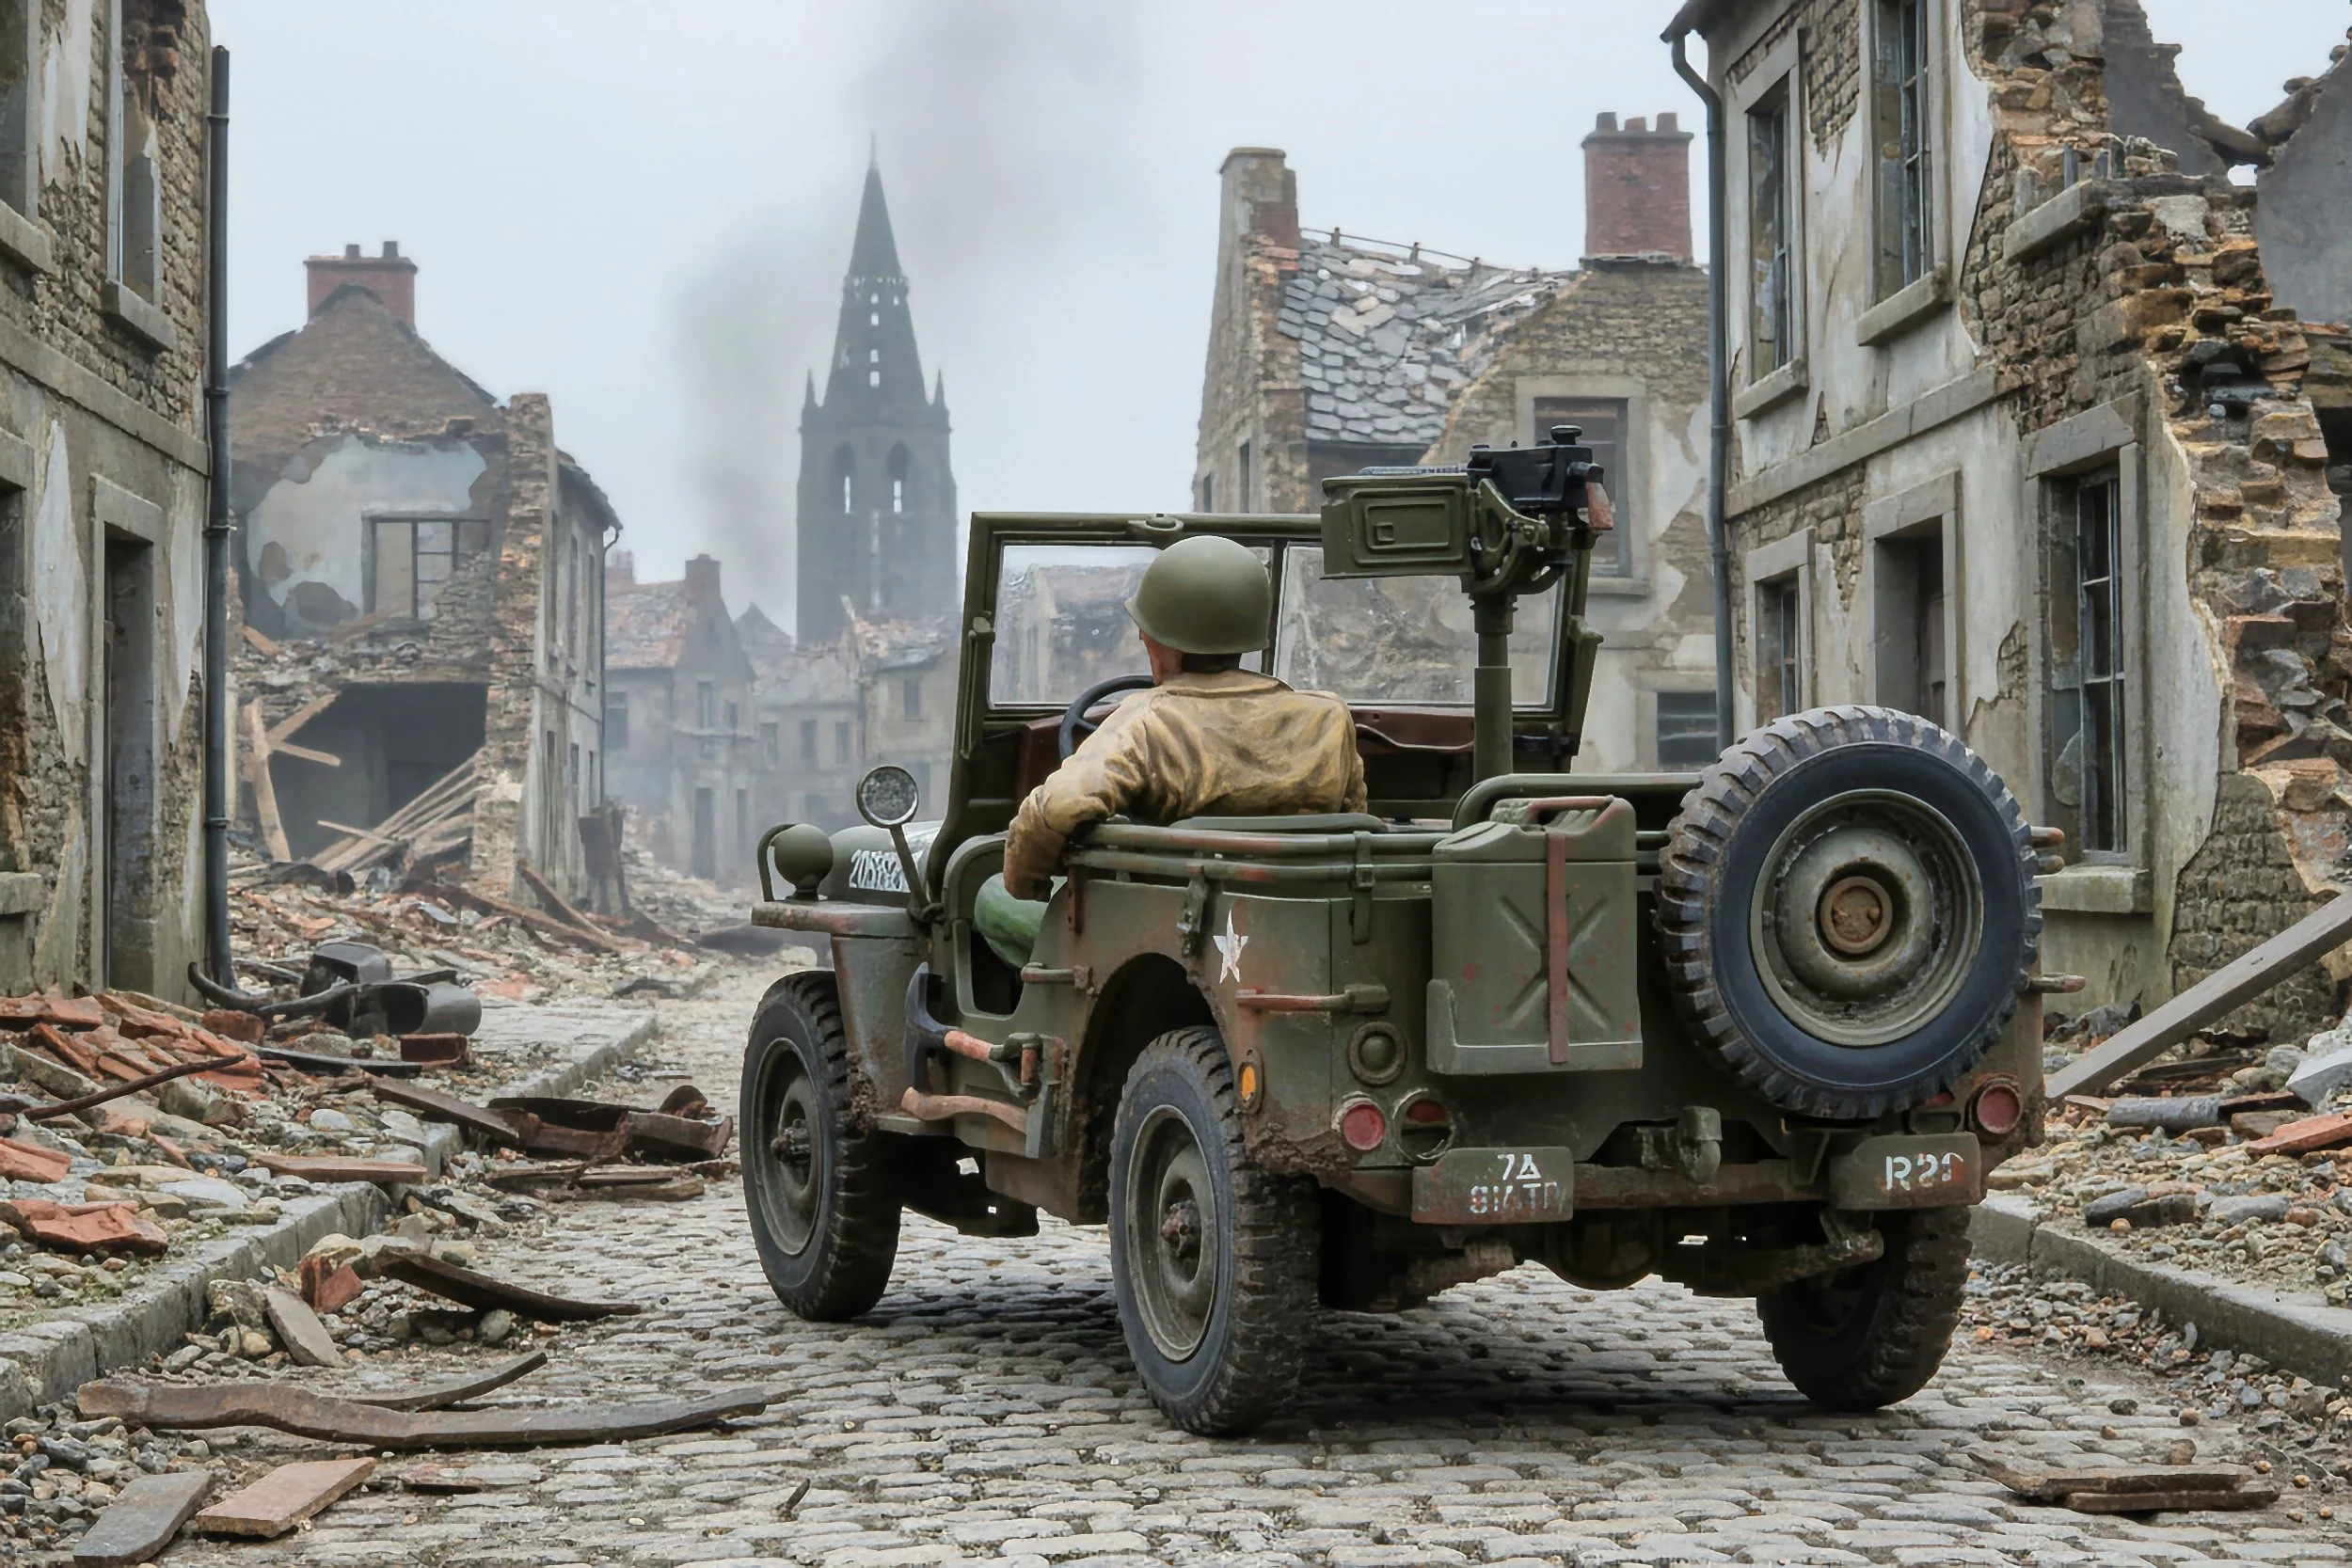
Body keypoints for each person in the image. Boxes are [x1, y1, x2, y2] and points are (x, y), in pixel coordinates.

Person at [974, 534, 1367, 967]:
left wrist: (1025, 881)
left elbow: (1058, 806)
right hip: (1301, 924)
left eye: (1147, 638)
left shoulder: (1145, 719)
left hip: (1167, 936)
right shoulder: (1327, 717)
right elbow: (1355, 822)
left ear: (1165, 642)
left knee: (991, 898)